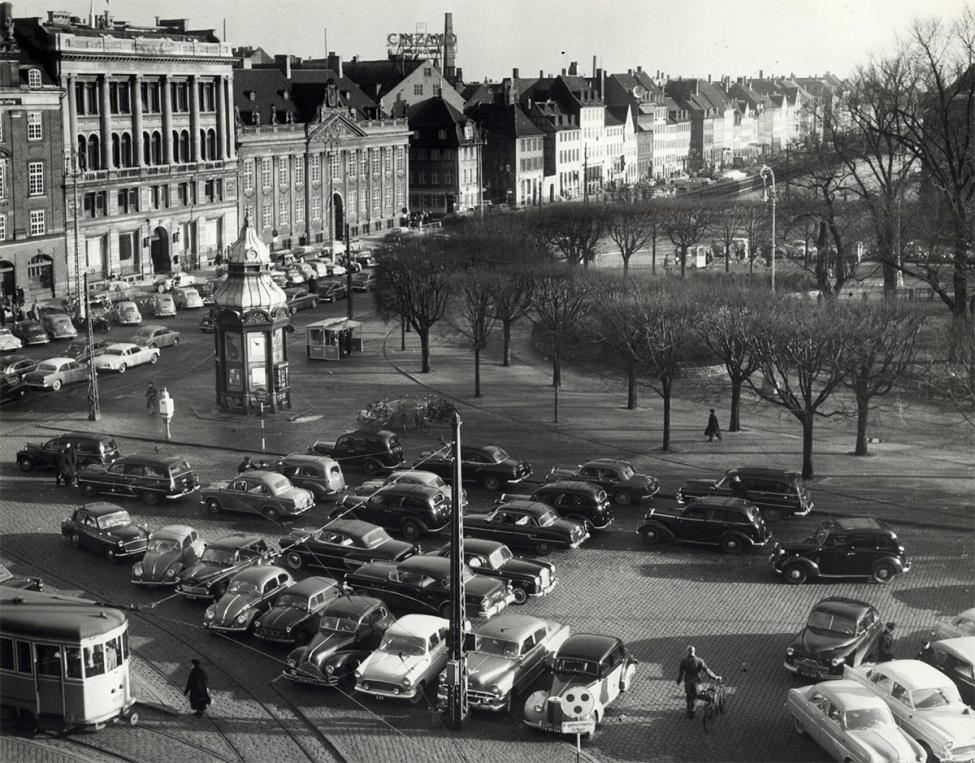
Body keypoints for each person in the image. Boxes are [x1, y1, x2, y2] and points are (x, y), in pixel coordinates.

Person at [677, 645, 721, 718]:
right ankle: (708, 709)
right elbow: (707, 670)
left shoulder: (684, 661)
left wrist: (678, 681)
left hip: (688, 683)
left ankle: (690, 712)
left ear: (688, 652)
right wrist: (715, 677)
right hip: (696, 683)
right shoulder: (699, 660)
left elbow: (680, 673)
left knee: (689, 696)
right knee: (700, 696)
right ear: (694, 651)